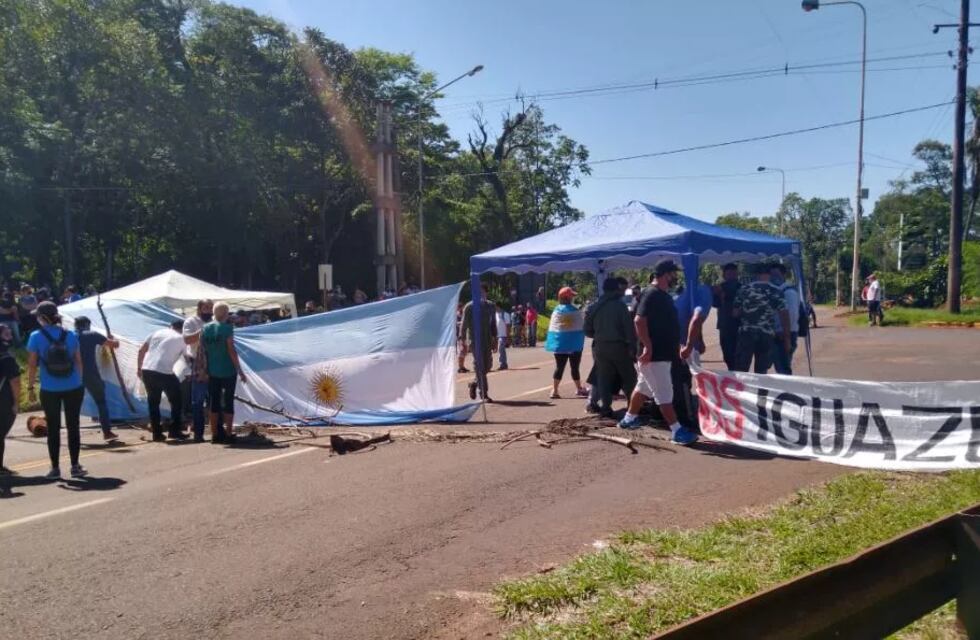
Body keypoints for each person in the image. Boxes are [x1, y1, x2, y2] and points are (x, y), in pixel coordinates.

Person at [618, 262, 698, 445]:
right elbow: (639, 321)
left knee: (643, 388)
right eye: (673, 274)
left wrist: (676, 344)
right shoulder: (652, 294)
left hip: (663, 353)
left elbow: (665, 325)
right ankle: (677, 431)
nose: (675, 278)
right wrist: (648, 347)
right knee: (664, 393)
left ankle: (628, 419)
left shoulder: (662, 295)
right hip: (655, 356)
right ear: (665, 275)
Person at [26, 301, 87, 478]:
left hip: (49, 388)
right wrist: (80, 381)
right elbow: (78, 361)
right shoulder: (70, 335)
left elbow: (31, 365)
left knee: (53, 428)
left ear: (43, 318)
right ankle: (75, 466)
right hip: (73, 386)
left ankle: (55, 468)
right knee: (73, 426)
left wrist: (30, 387)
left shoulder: (36, 336)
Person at [584, 276, 637, 418]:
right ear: (616, 289)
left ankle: (606, 408)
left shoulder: (595, 306)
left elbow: (587, 329)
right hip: (619, 346)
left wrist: (599, 335)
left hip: (600, 347)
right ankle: (633, 408)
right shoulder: (619, 306)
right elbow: (629, 329)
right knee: (629, 378)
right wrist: (633, 347)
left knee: (603, 379)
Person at [732, 264, 791, 374]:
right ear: (769, 275)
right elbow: (784, 315)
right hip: (766, 334)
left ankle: (740, 390)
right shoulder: (777, 291)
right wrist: (787, 338)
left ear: (756, 275)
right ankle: (762, 391)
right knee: (762, 370)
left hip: (746, 334)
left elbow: (735, 313)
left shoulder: (744, 289)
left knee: (741, 368)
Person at [203, 302, 247, 443]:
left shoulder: (205, 328)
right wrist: (240, 370)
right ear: (226, 313)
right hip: (228, 370)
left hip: (212, 370)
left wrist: (205, 369)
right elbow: (231, 350)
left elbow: (203, 351)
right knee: (228, 401)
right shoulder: (227, 328)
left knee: (213, 403)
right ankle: (228, 433)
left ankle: (214, 434)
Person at [673, 279, 714, 433]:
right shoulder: (705, 294)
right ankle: (690, 417)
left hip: (680, 343)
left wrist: (700, 340)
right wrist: (690, 345)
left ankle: (692, 412)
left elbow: (696, 320)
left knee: (688, 380)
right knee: (687, 380)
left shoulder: (687, 295)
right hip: (683, 346)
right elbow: (696, 319)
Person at [137, 320, 187, 442]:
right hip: (164, 371)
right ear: (182, 329)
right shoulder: (182, 338)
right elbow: (188, 357)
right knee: (176, 400)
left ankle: (157, 434)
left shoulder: (157, 332)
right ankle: (174, 431)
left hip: (147, 369)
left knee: (153, 403)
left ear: (170, 326)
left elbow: (141, 350)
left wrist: (139, 368)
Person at [74, 316, 120, 441]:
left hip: (73, 375)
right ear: (87, 324)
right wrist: (112, 337)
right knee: (101, 402)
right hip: (90, 373)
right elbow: (114, 345)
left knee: (72, 406)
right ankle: (107, 432)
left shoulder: (69, 336)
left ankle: (73, 435)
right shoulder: (92, 335)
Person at [546, 287, 588, 399]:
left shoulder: (556, 311)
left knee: (559, 367)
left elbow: (554, 328)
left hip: (560, 345)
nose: (573, 298)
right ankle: (579, 389)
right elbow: (582, 325)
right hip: (574, 344)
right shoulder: (575, 311)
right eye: (571, 296)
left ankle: (554, 390)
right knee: (575, 367)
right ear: (567, 297)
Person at [182, 299, 213, 443]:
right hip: (198, 364)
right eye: (206, 308)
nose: (208, 310)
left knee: (215, 399)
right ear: (199, 309)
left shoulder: (215, 322)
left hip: (214, 364)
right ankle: (198, 434)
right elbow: (187, 340)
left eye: (210, 308)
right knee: (198, 401)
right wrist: (202, 331)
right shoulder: (191, 322)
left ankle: (216, 431)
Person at [461, 285, 497, 402]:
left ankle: (474, 383)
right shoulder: (469, 307)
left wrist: (495, 339)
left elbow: (493, 324)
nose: (481, 295)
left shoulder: (490, 306)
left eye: (483, 292)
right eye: (478, 292)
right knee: (479, 365)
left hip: (487, 339)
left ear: (486, 293)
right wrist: (463, 341)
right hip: (474, 340)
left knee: (488, 366)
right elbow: (464, 324)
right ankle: (484, 394)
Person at [769, 263, 800, 375]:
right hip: (779, 333)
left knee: (783, 368)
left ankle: (787, 390)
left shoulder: (788, 292)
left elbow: (792, 316)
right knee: (780, 367)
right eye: (771, 275)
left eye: (776, 274)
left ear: (784, 274)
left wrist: (786, 337)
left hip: (785, 334)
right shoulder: (776, 291)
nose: (773, 277)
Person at [712, 263, 742, 371]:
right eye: (729, 274)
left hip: (739, 326)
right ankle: (732, 373)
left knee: (739, 356)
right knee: (727, 355)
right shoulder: (720, 288)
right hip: (724, 326)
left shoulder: (742, 288)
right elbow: (715, 304)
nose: (732, 276)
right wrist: (717, 294)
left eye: (734, 274)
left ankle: (739, 377)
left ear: (737, 275)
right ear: (724, 275)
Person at [0, 324, 21, 475]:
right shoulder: (6, 357)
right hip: (4, 400)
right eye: (6, 332)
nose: (10, 334)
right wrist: (16, 402)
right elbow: (15, 381)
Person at [494, 302, 511, 371]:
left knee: (501, 348)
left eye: (495, 307)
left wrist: (508, 336)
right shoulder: (495, 315)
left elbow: (508, 326)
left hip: (503, 335)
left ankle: (503, 364)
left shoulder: (505, 314)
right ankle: (504, 364)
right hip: (498, 335)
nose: (494, 308)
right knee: (501, 350)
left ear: (498, 306)